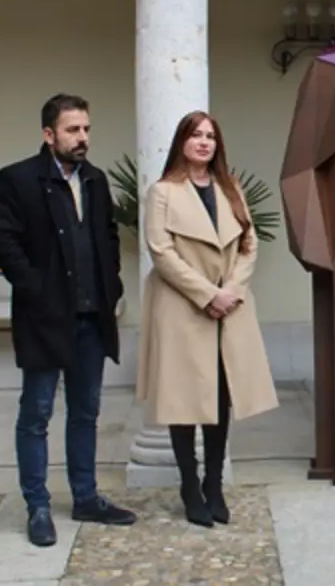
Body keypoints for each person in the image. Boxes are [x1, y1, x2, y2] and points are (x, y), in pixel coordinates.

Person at [0, 94, 137, 547]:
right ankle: (37, 506)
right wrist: (36, 288)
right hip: (44, 319)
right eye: (73, 130)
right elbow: (1, 244)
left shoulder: (94, 179)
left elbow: (107, 237)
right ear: (48, 134)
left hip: (92, 317)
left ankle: (86, 498)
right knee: (36, 414)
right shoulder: (18, 179)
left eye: (86, 129)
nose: (83, 138)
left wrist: (112, 284)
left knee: (85, 412)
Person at [137, 110, 280, 527]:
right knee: (184, 400)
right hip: (184, 306)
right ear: (182, 141)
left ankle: (214, 483)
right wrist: (207, 294)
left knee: (221, 396)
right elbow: (160, 251)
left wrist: (231, 290)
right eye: (196, 135)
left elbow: (250, 244)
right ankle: (189, 484)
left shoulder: (230, 188)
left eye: (210, 136)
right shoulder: (162, 192)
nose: (204, 142)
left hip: (229, 307)